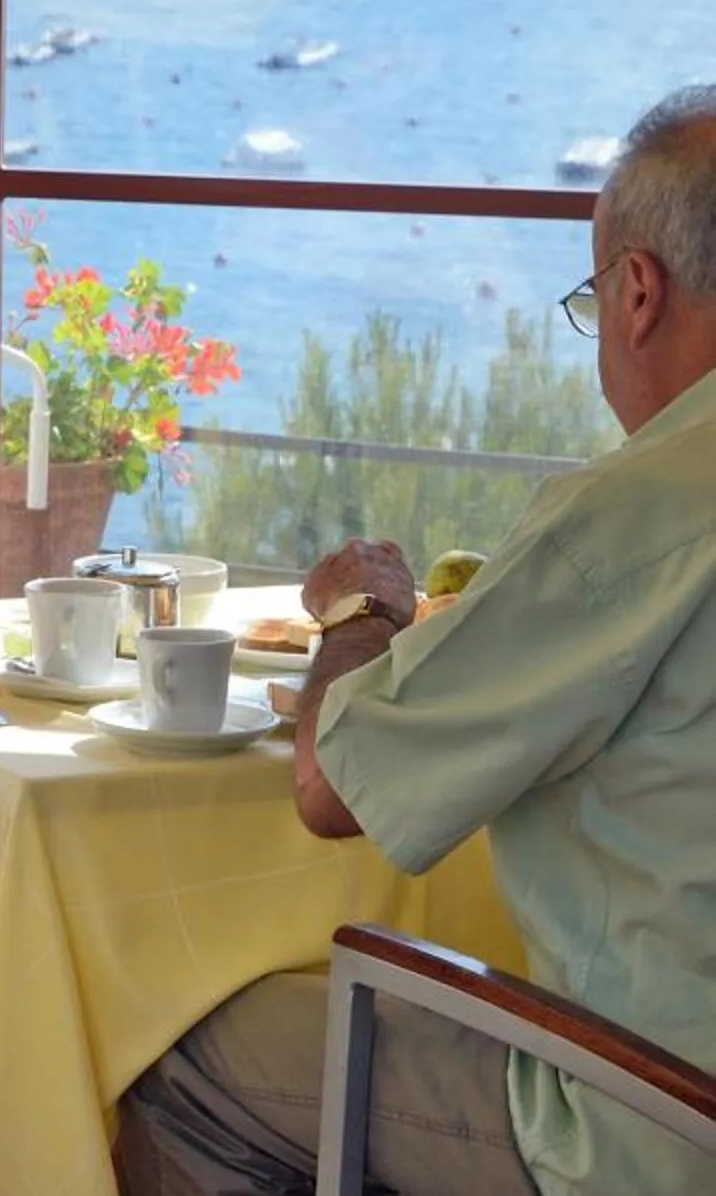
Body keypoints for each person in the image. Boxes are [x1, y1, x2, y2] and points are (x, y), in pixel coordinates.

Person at [120, 83, 716, 1196]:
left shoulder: (641, 513)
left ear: (639, 292)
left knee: (167, 1038)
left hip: (656, 1126)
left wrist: (361, 615)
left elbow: (333, 786)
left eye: (593, 297)